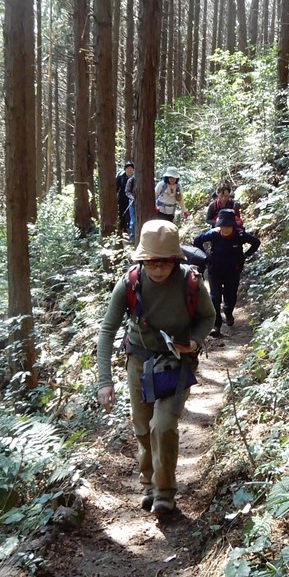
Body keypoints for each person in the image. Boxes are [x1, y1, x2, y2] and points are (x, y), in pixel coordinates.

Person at [97, 219, 215, 519]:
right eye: (151, 262)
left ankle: (164, 493)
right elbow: (107, 330)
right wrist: (104, 381)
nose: (158, 269)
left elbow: (207, 316)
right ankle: (148, 483)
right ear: (141, 260)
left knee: (162, 427)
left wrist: (194, 342)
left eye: (164, 262)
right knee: (142, 427)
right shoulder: (130, 283)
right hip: (139, 361)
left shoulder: (190, 282)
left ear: (176, 260)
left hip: (176, 362)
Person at [192, 208, 260, 336]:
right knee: (215, 297)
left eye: (228, 226)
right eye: (223, 226)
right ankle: (216, 325)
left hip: (233, 271)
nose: (226, 229)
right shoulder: (214, 234)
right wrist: (204, 256)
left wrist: (246, 255)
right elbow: (197, 241)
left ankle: (228, 312)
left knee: (230, 295)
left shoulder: (240, 235)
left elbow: (256, 242)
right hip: (215, 270)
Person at [116, 161, 134, 234]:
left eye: (131, 168)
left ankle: (129, 228)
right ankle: (122, 227)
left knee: (130, 213)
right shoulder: (121, 176)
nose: (129, 169)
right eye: (127, 168)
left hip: (131, 198)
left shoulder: (135, 177)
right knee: (122, 212)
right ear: (125, 169)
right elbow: (116, 187)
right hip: (122, 197)